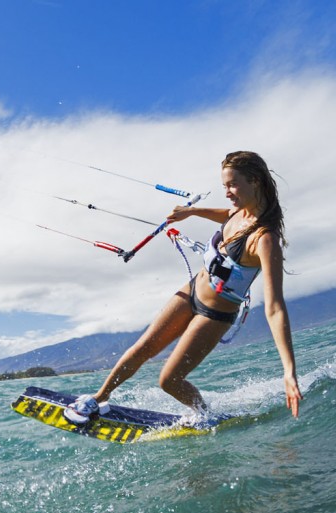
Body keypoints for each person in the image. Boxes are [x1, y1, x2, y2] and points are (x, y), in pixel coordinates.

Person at [63, 151, 302, 424]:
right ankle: (98, 398)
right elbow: (228, 215)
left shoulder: (264, 239)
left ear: (255, 181)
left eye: (232, 185)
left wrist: (288, 371)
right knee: (142, 347)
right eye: (225, 185)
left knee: (169, 380)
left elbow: (274, 308)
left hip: (214, 314)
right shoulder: (238, 210)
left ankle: (206, 416)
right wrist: (193, 212)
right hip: (191, 291)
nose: (227, 193)